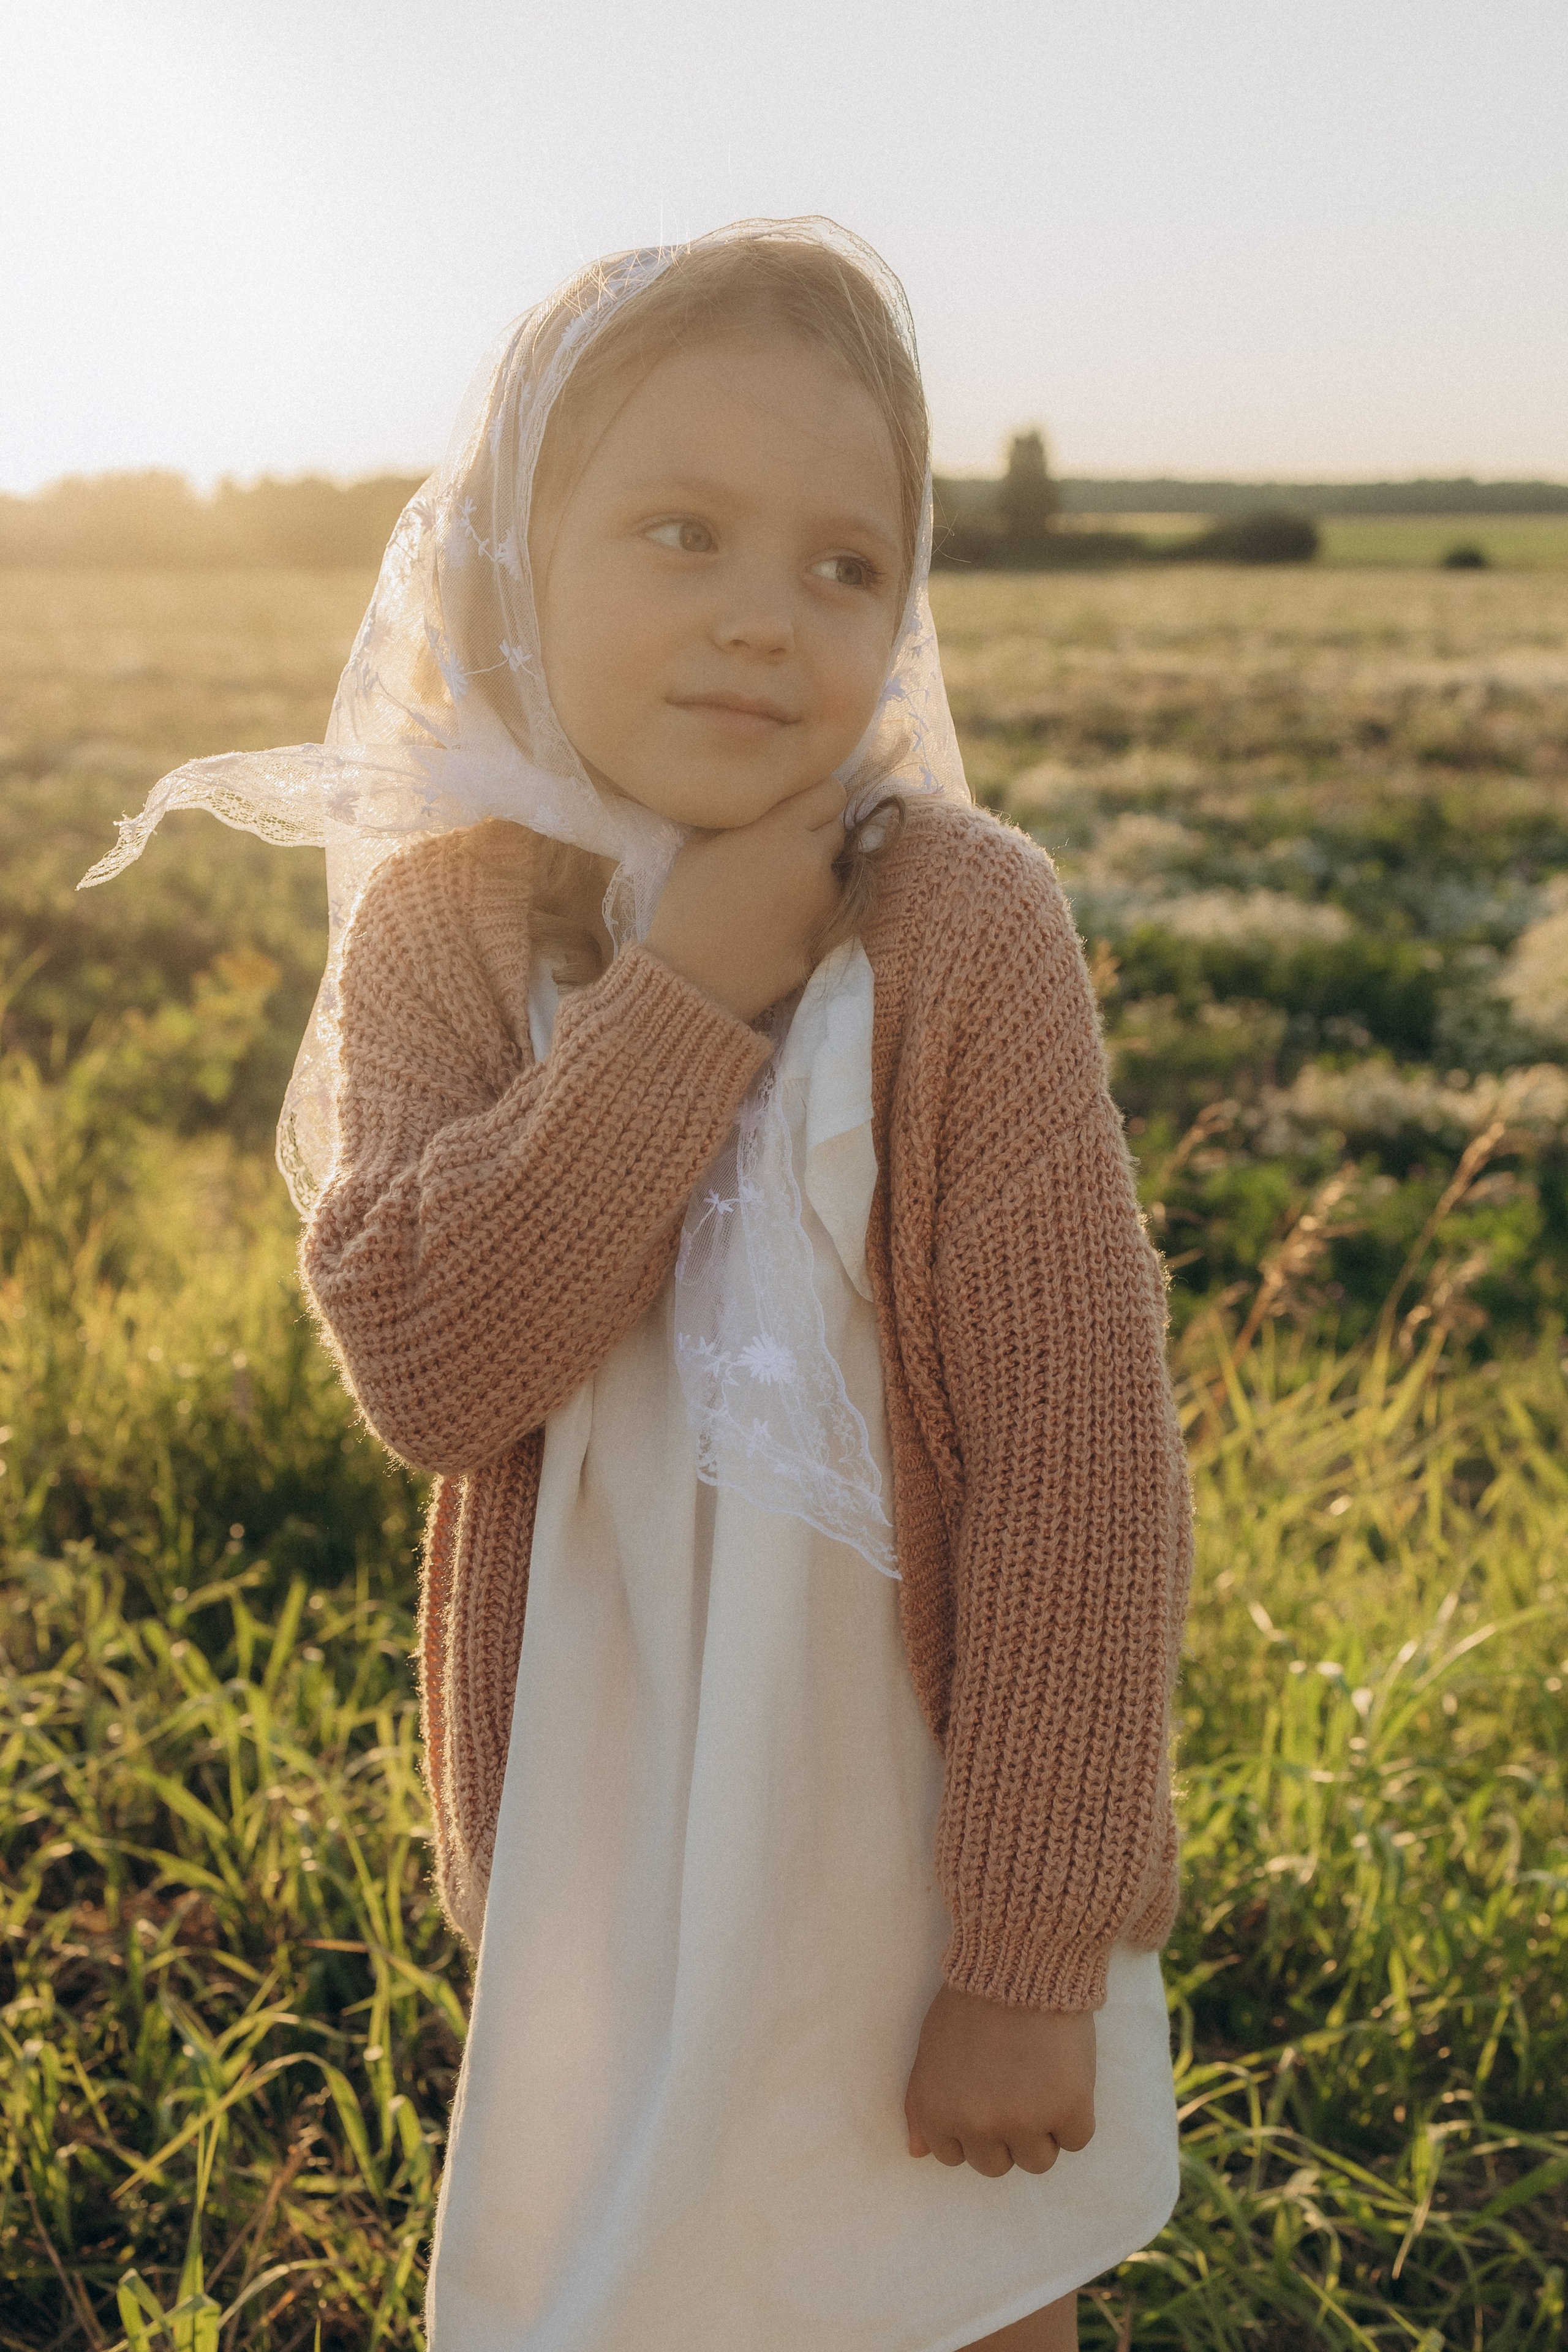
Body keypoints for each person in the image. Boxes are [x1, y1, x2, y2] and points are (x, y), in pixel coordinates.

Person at [84, 217, 1192, 2351]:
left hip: (916, 1851)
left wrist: (1031, 1949)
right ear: (511, 558)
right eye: (682, 533)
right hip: (606, 1859)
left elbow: (1080, 1467)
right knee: (642, 2287)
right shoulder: (445, 928)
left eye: (844, 564)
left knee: (955, 2281)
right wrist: (684, 991)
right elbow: (434, 1368)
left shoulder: (962, 931)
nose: (764, 617)